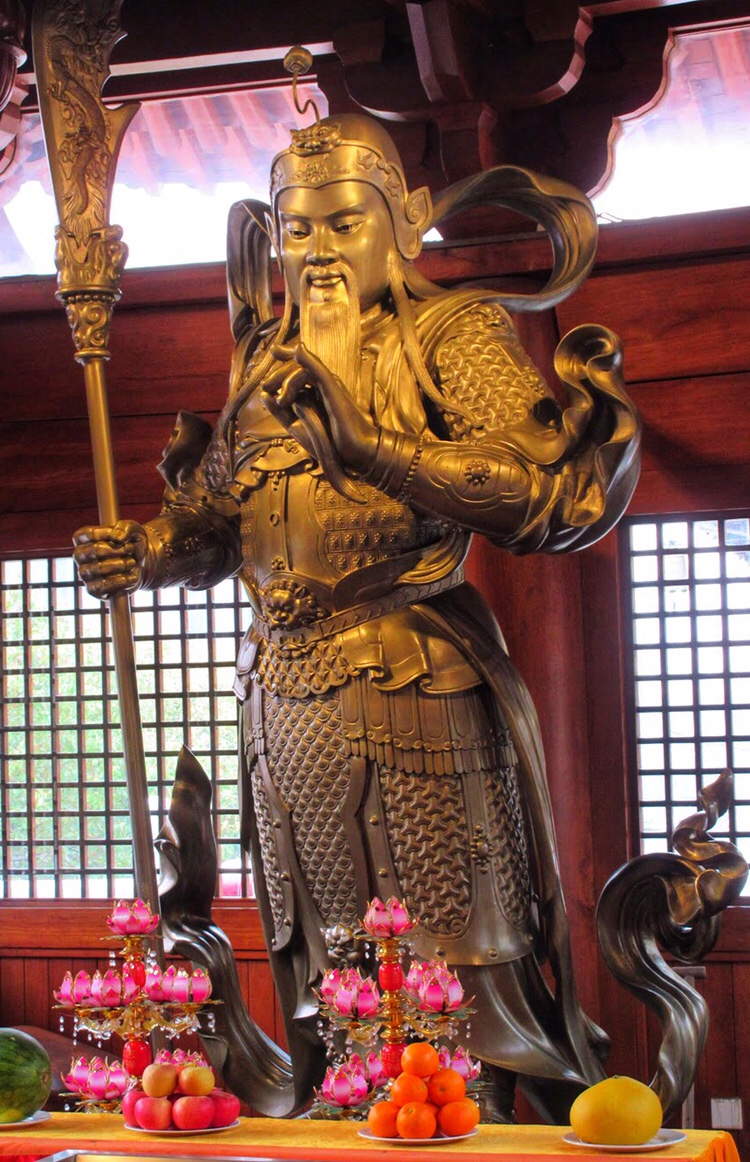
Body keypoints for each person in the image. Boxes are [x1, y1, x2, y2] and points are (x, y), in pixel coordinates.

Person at [74, 110, 641, 1121]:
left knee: (452, 957)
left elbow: (541, 492)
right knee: (323, 959)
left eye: (344, 223)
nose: (320, 252)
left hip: (417, 677)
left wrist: (375, 450)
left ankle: (469, 1120)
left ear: (404, 221)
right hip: (284, 700)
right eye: (299, 231)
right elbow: (217, 522)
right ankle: (343, 1116)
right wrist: (150, 551)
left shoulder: (449, 335)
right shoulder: (263, 361)